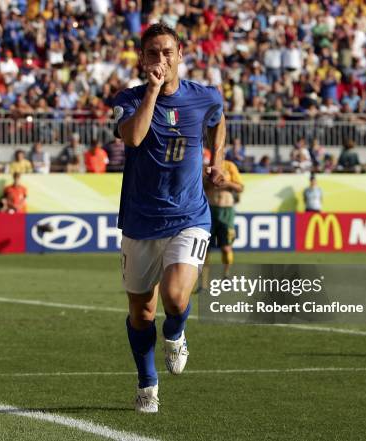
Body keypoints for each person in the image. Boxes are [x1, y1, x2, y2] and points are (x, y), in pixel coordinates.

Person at [113, 23, 225, 413]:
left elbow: (217, 117)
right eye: (152, 53)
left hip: (189, 215)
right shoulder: (128, 98)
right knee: (141, 313)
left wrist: (218, 160)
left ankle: (176, 335)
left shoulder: (203, 96)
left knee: (176, 298)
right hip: (141, 220)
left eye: (166, 52)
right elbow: (133, 138)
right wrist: (154, 92)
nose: (160, 60)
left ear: (180, 53)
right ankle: (147, 383)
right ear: (142, 59)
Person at [203, 158, 243, 281]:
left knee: (226, 248)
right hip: (210, 210)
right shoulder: (206, 167)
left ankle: (226, 275)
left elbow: (240, 187)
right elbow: (201, 186)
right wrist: (210, 181)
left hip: (226, 211)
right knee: (205, 249)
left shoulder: (230, 166)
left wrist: (227, 183)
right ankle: (203, 282)